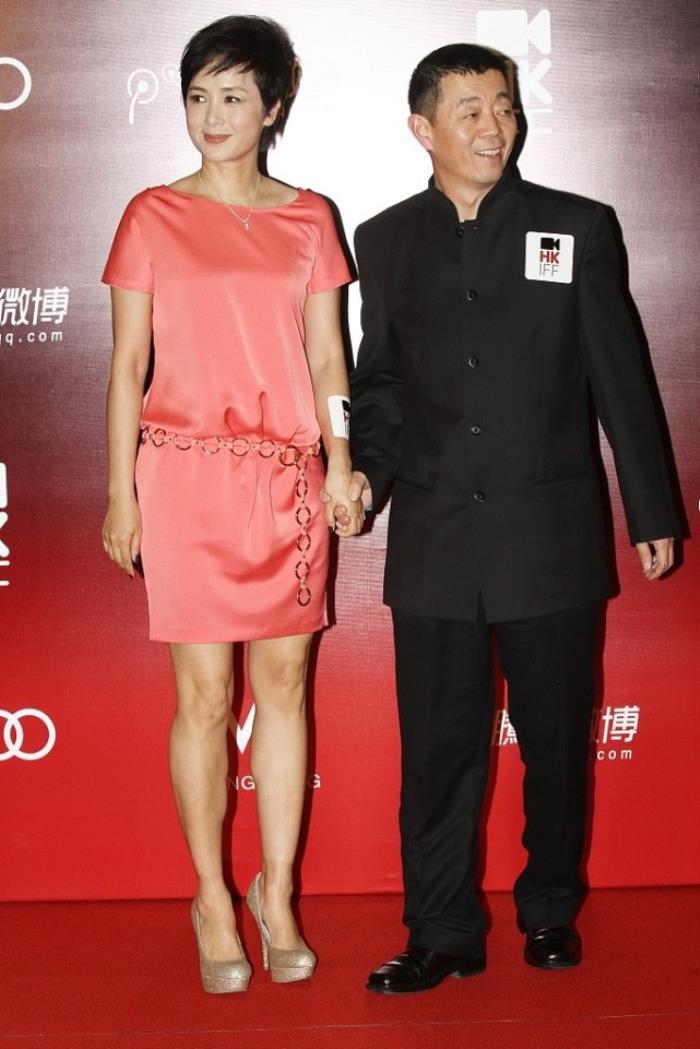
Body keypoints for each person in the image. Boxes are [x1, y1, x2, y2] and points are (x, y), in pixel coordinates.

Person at [345, 43, 679, 994]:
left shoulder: (577, 226)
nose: (495, 126)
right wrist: (366, 474)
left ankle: (549, 908)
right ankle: (441, 929)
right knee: (436, 753)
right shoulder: (385, 238)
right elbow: (382, 384)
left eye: (505, 106)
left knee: (556, 742)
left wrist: (650, 505)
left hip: (549, 535)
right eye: (471, 110)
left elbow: (620, 375)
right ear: (423, 128)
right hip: (436, 538)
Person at [101, 15, 362, 994]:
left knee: (285, 687)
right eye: (199, 96)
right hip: (182, 476)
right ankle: (211, 894)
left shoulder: (309, 218)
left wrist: (341, 461)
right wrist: (119, 490)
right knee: (205, 697)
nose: (213, 116)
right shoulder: (151, 214)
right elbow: (127, 365)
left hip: (287, 480)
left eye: (234, 97)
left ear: (273, 107)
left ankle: (275, 890)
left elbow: (330, 358)